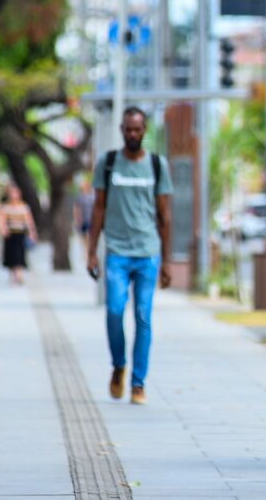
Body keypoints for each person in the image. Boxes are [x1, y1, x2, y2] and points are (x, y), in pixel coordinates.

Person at [87, 106, 173, 405]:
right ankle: (119, 365)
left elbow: (165, 215)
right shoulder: (108, 163)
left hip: (148, 254)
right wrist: (91, 252)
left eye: (137, 129)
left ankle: (138, 383)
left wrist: (167, 261)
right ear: (122, 130)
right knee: (114, 311)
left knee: (143, 316)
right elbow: (98, 207)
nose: (133, 134)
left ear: (144, 130)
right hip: (117, 253)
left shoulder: (157, 165)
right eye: (128, 129)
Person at [0, 184, 37, 284]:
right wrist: (3, 229)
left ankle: (19, 275)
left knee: (19, 254)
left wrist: (32, 232)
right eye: (12, 193)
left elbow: (29, 220)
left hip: (20, 233)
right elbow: (1, 220)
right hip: (9, 234)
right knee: (10, 255)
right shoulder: (5, 207)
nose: (14, 195)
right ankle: (13, 274)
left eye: (16, 193)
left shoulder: (24, 207)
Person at [74, 180, 95, 248]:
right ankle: (86, 250)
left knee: (90, 236)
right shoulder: (80, 197)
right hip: (83, 219)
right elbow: (77, 209)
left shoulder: (92, 196)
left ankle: (89, 249)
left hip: (91, 219)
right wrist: (78, 220)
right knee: (84, 237)